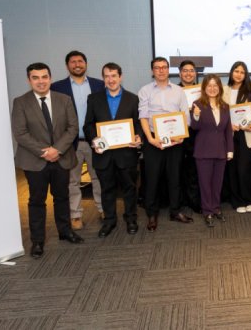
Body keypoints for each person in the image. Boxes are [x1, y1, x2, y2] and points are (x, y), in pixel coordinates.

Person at [11, 62, 84, 258]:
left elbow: (72, 128)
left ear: (50, 78)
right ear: (29, 80)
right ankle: (37, 241)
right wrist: (45, 152)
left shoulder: (64, 99)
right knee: (37, 200)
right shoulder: (20, 102)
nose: (41, 81)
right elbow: (20, 133)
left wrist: (57, 150)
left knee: (62, 196)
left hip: (61, 158)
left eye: (44, 77)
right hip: (35, 161)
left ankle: (65, 231)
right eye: (35, 78)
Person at [83, 63, 142, 237]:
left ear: (120, 77)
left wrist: (138, 136)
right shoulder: (94, 99)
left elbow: (138, 123)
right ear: (103, 78)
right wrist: (94, 140)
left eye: (114, 75)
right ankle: (109, 221)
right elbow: (88, 125)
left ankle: (131, 218)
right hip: (104, 155)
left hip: (126, 154)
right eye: (107, 76)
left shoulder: (133, 98)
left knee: (129, 188)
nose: (111, 80)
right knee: (107, 189)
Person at [50, 50, 105, 231]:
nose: (77, 64)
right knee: (72, 180)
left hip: (95, 141)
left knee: (98, 177)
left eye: (80, 61)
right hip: (70, 143)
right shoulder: (57, 87)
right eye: (73, 62)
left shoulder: (99, 85)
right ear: (67, 66)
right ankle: (75, 214)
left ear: (86, 64)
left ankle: (103, 209)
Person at [138, 57, 193, 232]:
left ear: (169, 70)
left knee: (175, 176)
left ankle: (175, 211)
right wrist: (150, 138)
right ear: (152, 71)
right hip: (153, 139)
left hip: (175, 138)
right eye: (157, 67)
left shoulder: (179, 91)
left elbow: (185, 115)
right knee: (152, 178)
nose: (161, 70)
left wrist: (182, 135)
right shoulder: (145, 91)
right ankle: (152, 213)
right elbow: (143, 117)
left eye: (164, 67)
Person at [191, 75, 234, 227]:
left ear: (219, 88)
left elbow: (227, 130)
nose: (212, 88)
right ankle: (207, 211)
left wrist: (230, 150)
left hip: (221, 150)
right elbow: (195, 127)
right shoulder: (197, 104)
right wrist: (196, 116)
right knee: (205, 183)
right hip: (203, 151)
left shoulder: (225, 106)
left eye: (215, 85)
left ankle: (216, 208)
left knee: (217, 183)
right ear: (204, 88)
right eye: (209, 85)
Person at [223, 61, 251, 213]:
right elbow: (221, 113)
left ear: (245, 74)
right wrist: (229, 125)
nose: (239, 74)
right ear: (231, 72)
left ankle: (249, 199)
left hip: (248, 133)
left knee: (244, 168)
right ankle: (237, 201)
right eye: (236, 71)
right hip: (230, 134)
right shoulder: (224, 89)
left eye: (242, 72)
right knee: (232, 168)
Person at [177, 60, 201, 213]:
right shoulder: (173, 90)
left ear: (195, 73)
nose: (188, 73)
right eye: (185, 71)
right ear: (180, 74)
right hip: (178, 134)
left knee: (193, 169)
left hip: (197, 135)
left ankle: (194, 201)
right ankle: (179, 201)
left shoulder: (202, 91)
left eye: (191, 70)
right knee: (177, 169)